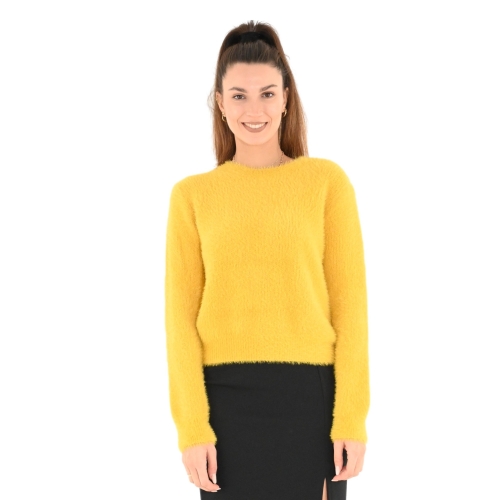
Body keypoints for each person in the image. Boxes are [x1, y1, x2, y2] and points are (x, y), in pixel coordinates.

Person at [164, 20, 370, 500]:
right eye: (238, 96)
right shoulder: (192, 196)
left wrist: (351, 418)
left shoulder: (326, 183)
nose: (253, 110)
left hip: (311, 402)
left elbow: (351, 307)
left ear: (285, 99)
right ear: (220, 102)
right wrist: (192, 429)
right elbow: (179, 321)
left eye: (267, 94)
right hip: (223, 407)